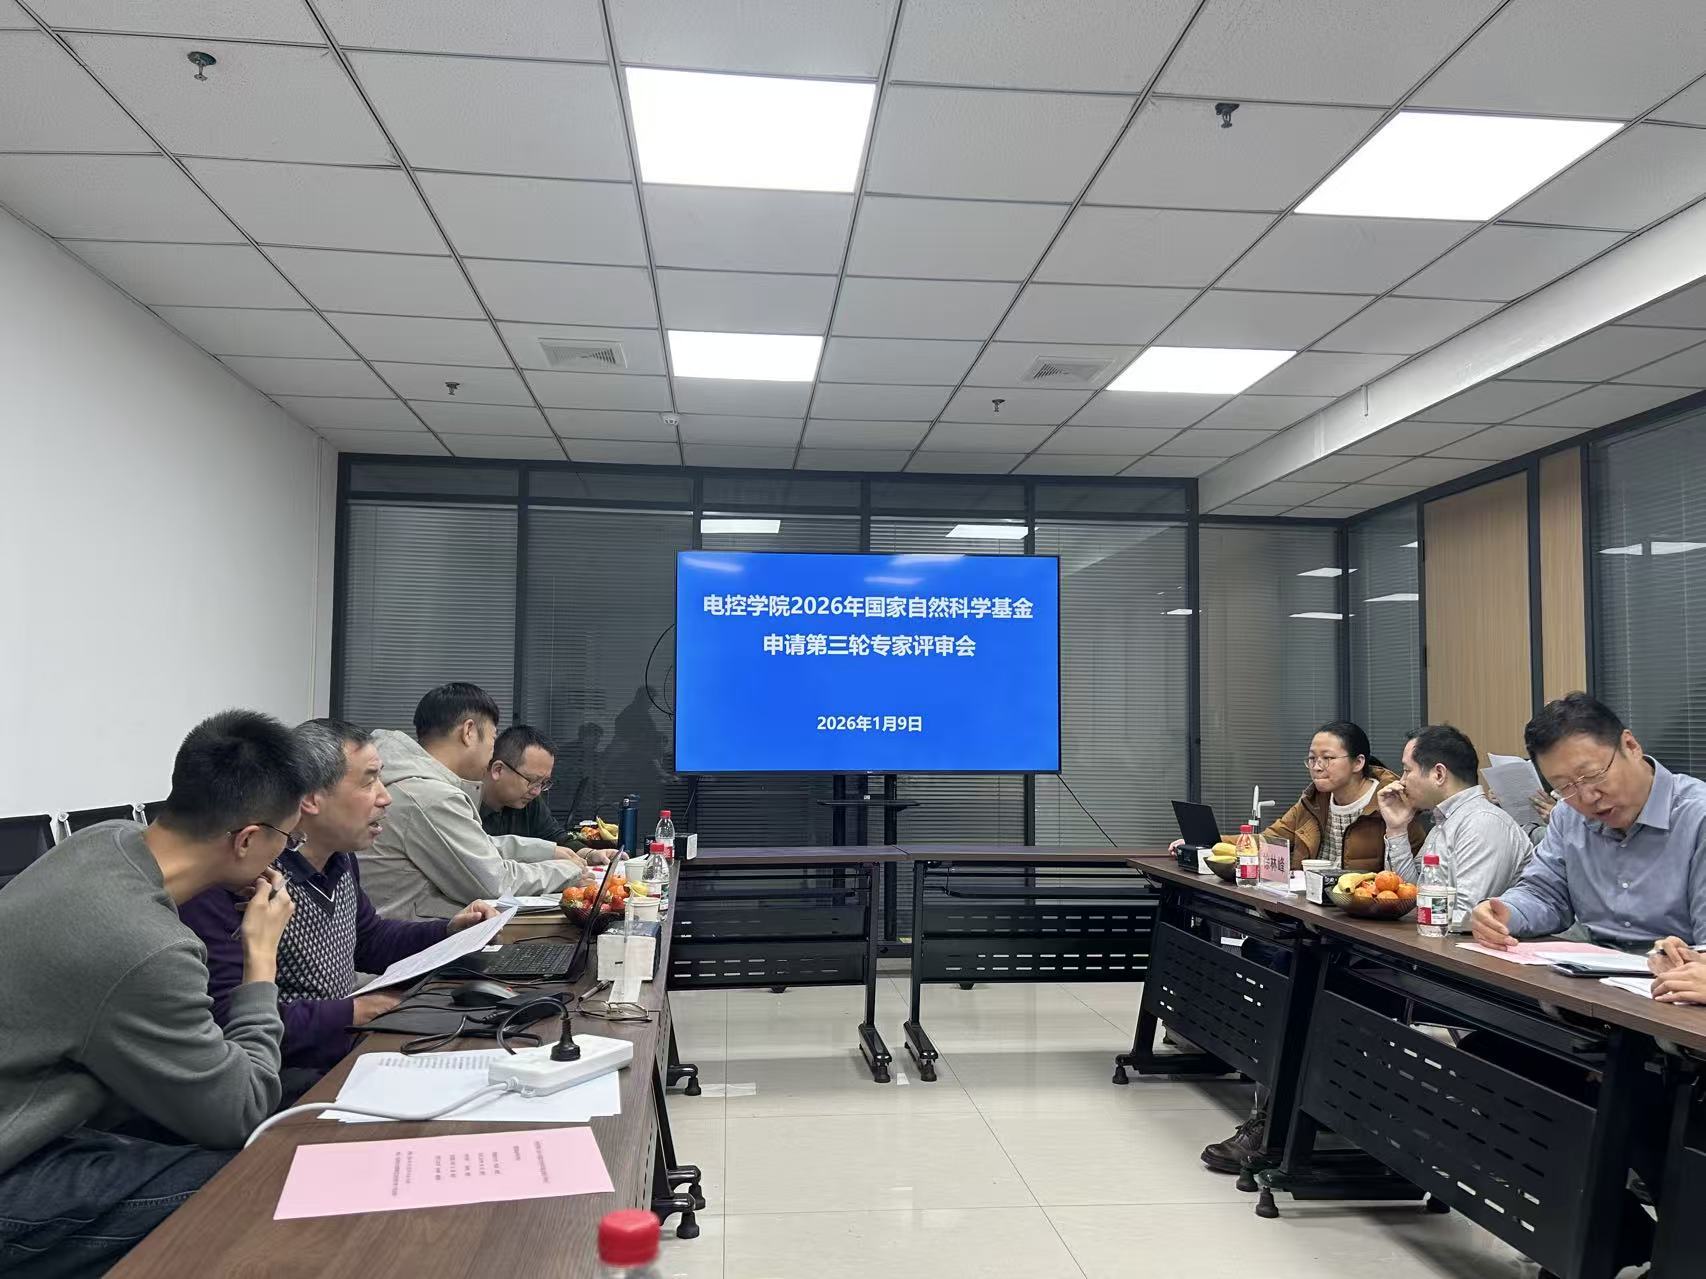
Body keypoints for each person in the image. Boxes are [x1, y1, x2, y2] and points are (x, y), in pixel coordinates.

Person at [0, 710, 304, 1276]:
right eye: (287, 839)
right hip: (15, 1168)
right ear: (247, 839)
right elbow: (241, 1111)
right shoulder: (147, 947)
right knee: (251, 1177)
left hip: (39, 1116)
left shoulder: (105, 839)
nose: (283, 856)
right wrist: (261, 958)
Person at [180, 719, 500, 1084]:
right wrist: (351, 1012)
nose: (385, 797)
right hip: (284, 1079)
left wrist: (448, 932)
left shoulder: (340, 859)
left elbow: (368, 940)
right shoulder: (240, 877)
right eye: (369, 781)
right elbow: (228, 1019)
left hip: (342, 1052)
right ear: (310, 798)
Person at [1201, 720, 1425, 1174]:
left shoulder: (1393, 803)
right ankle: (1288, 1100)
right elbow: (1270, 840)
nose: (1317, 767)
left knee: (1289, 981)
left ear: (1358, 762)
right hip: (1321, 930)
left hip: (1370, 942)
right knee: (1265, 958)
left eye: (1327, 758)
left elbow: (1409, 882)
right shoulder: (1313, 801)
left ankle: (1275, 1122)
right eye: (1311, 758)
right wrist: (1209, 845)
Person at [1470, 693, 1706, 951]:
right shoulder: (1568, 816)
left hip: (1675, 971)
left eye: (1593, 775)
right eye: (1565, 787)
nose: (1587, 797)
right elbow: (1545, 894)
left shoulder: (1697, 816)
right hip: (1593, 969)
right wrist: (1504, 913)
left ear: (1630, 746)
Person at [364, 682, 589, 919]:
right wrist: (567, 871)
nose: (492, 753)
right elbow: (494, 882)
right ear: (469, 731)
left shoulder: (412, 782)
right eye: (492, 739)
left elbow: (476, 846)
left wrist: (548, 851)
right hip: (414, 933)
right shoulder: (429, 796)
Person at [1377, 724, 1534, 932]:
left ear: (1439, 774)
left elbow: (1467, 916)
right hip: (1435, 941)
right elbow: (1409, 896)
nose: (1402, 782)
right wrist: (1396, 829)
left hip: (1471, 948)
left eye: (1407, 771)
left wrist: (1423, 913)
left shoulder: (1483, 822)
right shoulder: (1445, 821)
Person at [480, 724, 605, 864]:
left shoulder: (528, 801)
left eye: (544, 783)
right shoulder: (465, 804)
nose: (536, 791)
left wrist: (590, 854)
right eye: (532, 780)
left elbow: (557, 838)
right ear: (498, 770)